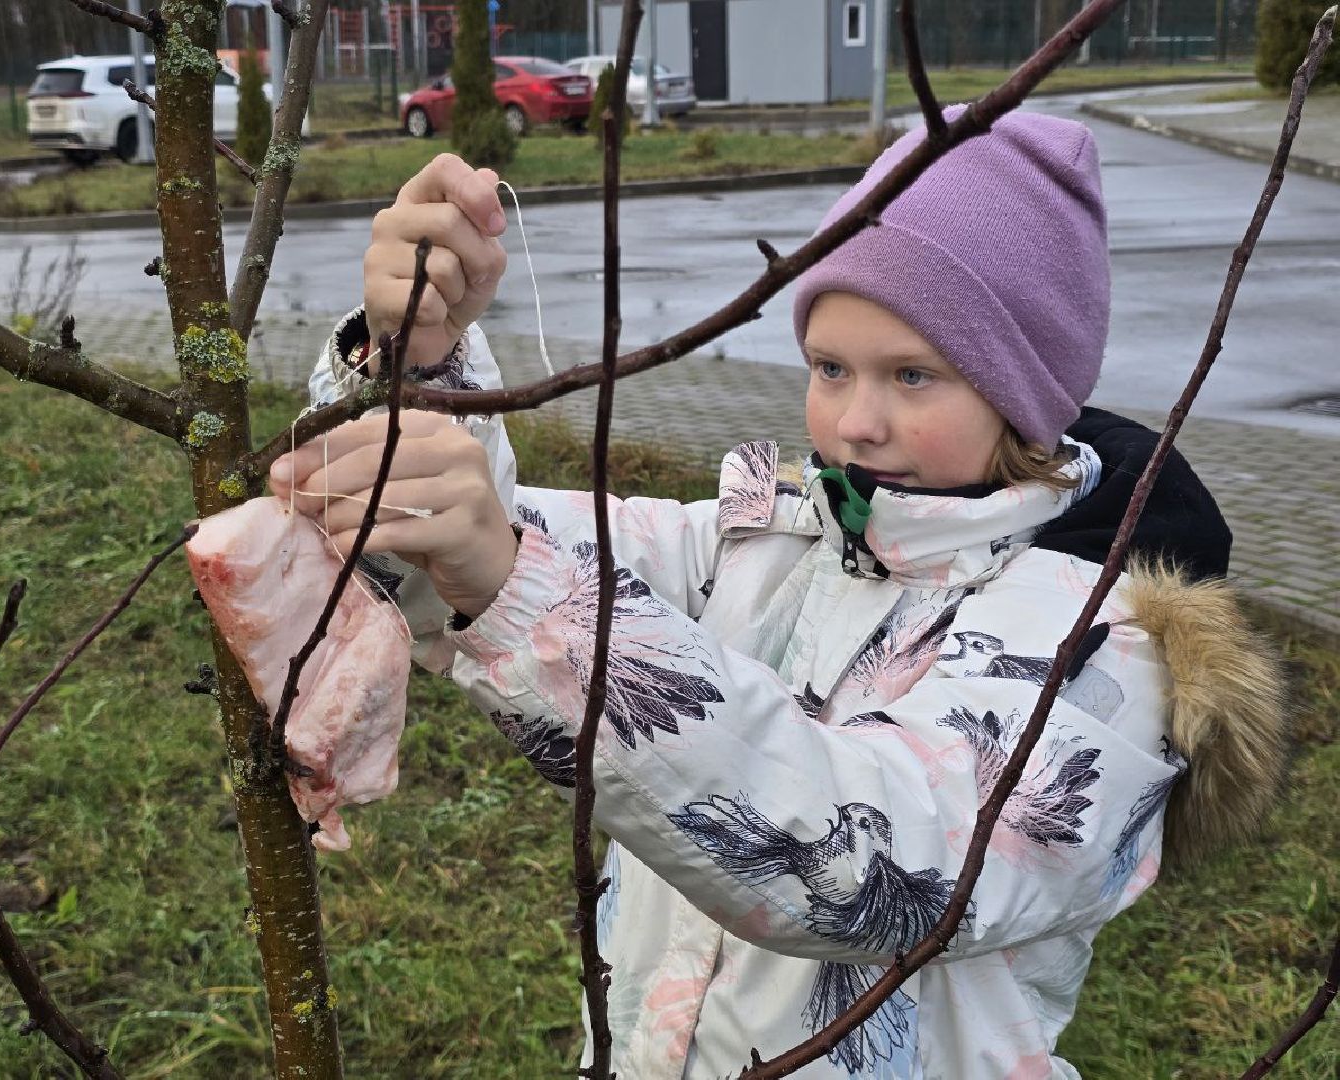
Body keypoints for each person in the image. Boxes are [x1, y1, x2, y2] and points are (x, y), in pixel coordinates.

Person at [269, 116, 1288, 1077]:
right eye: (830, 367)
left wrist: (510, 585)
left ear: (1024, 395)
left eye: (913, 376)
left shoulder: (1104, 652)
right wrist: (417, 369)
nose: (856, 423)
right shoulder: (772, 546)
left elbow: (880, 867)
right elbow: (482, 555)